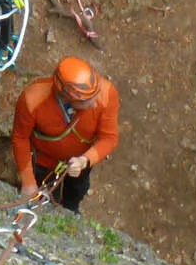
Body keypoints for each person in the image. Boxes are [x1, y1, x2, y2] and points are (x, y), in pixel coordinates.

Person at [11, 57, 121, 213]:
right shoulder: (32, 99)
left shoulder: (107, 93)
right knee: (43, 197)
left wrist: (85, 160)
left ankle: (71, 210)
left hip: (81, 162)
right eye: (87, 101)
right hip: (44, 161)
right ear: (68, 99)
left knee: (77, 191)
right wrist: (28, 182)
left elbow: (109, 138)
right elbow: (20, 138)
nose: (95, 104)